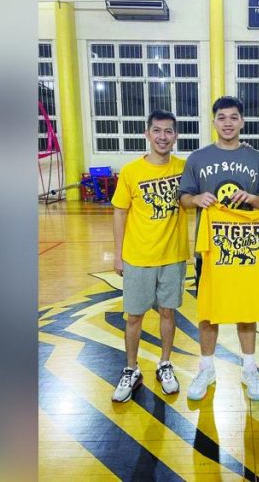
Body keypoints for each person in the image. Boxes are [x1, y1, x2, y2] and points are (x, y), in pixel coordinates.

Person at [179, 96, 259, 402]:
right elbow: (183, 198)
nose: (228, 122)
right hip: (209, 250)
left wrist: (252, 199)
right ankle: (206, 368)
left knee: (246, 310)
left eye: (234, 117)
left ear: (242, 122)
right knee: (209, 311)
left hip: (246, 247)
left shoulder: (257, 158)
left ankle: (249, 368)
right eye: (222, 117)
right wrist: (197, 200)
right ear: (214, 121)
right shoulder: (197, 158)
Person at [109, 110, 189, 403]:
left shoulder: (185, 167)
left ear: (175, 136)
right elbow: (120, 212)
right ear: (147, 134)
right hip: (138, 257)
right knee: (134, 317)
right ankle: (131, 369)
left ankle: (165, 364)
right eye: (157, 131)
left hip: (173, 256)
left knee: (168, 312)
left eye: (168, 131)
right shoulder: (131, 171)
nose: (163, 137)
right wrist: (118, 255)